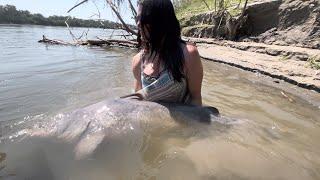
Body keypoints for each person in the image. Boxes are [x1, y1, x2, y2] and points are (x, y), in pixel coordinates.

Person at [131, 0, 203, 106]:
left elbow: (196, 99)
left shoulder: (188, 55)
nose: (138, 23)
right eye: (137, 18)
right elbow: (137, 103)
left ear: (160, 20)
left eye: (143, 18)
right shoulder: (138, 61)